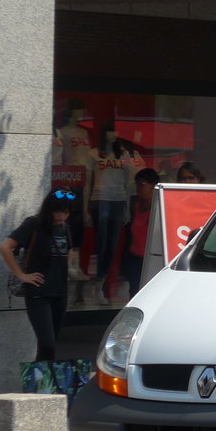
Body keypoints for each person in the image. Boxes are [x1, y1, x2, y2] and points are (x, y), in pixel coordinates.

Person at [0, 190, 75, 361]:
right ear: (48, 209)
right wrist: (21, 275)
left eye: (66, 212)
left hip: (60, 293)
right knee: (47, 343)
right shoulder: (34, 224)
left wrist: (68, 269)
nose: (62, 216)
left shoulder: (65, 228)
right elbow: (5, 247)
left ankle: (42, 385)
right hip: (38, 294)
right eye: (57, 211)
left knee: (51, 345)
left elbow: (69, 250)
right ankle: (40, 382)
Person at [90, 120, 142, 304]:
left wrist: (128, 208)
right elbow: (89, 182)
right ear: (104, 134)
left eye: (115, 133)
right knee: (101, 244)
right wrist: (86, 210)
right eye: (109, 132)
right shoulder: (94, 153)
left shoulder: (124, 155)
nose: (113, 135)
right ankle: (97, 282)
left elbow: (128, 184)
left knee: (111, 246)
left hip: (118, 201)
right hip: (100, 200)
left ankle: (101, 284)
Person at [123, 168, 160, 297]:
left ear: (153, 186)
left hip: (151, 259)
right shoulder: (137, 204)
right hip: (135, 256)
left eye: (142, 184)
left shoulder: (159, 207)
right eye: (137, 184)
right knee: (134, 292)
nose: (138, 188)